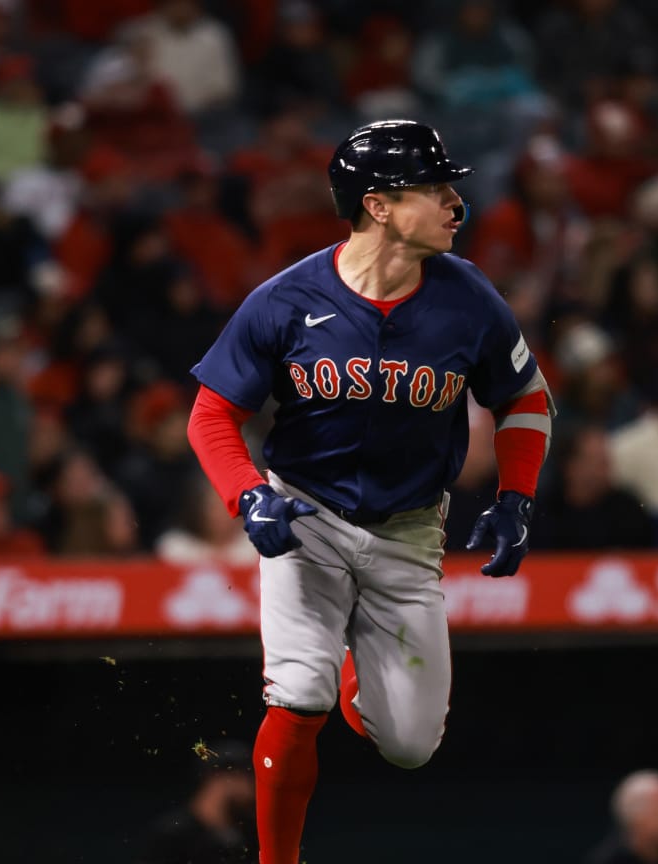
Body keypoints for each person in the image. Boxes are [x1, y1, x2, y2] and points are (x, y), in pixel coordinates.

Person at [185, 120, 553, 864]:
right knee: (298, 692)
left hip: (409, 528)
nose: (456, 203)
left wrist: (516, 497)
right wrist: (248, 495)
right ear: (379, 205)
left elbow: (526, 398)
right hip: (306, 512)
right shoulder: (287, 299)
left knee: (412, 745)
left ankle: (359, 664)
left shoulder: (468, 298)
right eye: (437, 188)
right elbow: (212, 413)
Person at [135, 740, 256, 864]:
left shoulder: (247, 831)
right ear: (223, 777)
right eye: (249, 776)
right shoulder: (173, 835)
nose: (254, 786)